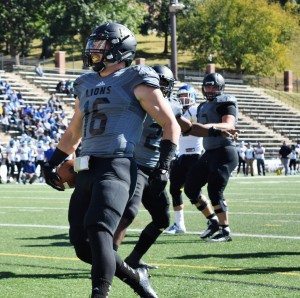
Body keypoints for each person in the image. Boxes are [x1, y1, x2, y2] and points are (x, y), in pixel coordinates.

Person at [42, 22, 181, 298]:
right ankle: (135, 277)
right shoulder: (86, 83)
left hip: (116, 165)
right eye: (94, 42)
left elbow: (170, 124)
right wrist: (51, 162)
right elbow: (73, 131)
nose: (94, 48)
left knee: (99, 230)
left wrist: (163, 165)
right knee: (83, 247)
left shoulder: (136, 78)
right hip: (86, 168)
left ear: (119, 48)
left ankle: (100, 293)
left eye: (101, 43)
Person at [183, 72, 239, 242]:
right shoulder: (201, 107)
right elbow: (195, 129)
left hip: (224, 151)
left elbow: (229, 124)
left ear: (221, 88)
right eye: (207, 86)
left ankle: (225, 230)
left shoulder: (226, 102)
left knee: (215, 191)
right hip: (209, 153)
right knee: (191, 187)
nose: (210, 89)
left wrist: (210, 127)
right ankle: (212, 221)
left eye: (214, 86)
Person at [165, 84, 203, 234]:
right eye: (180, 96)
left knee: (193, 191)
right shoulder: (178, 111)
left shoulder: (195, 110)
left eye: (186, 96)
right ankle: (179, 224)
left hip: (195, 155)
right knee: (174, 189)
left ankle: (212, 219)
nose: (183, 99)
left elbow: (198, 124)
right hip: (181, 156)